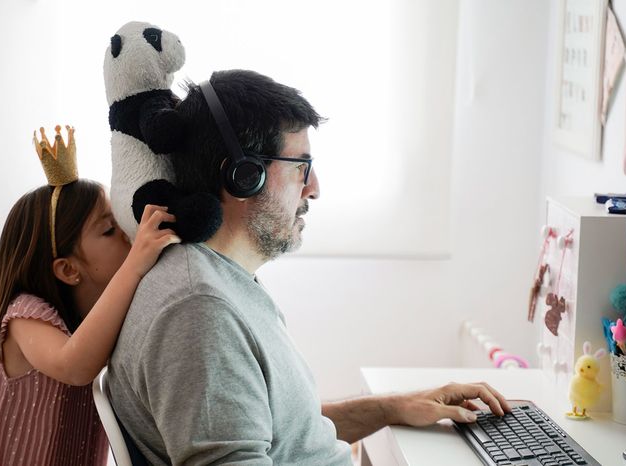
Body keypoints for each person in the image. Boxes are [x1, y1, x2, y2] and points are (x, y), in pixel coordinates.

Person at [106, 71, 512, 465]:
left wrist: (395, 407)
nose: (314, 187)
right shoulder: (199, 311)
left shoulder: (220, 282)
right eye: (300, 166)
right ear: (244, 176)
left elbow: (287, 434)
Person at [0, 126, 180, 466]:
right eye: (109, 229)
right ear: (68, 270)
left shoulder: (92, 319)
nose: (127, 235)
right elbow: (74, 367)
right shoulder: (24, 316)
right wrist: (134, 265)